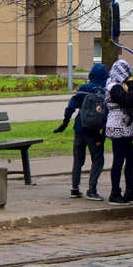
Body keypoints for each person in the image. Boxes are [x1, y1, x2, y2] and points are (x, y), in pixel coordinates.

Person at [53, 63, 107, 201]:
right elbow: (108, 114)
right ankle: (92, 190)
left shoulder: (84, 88)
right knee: (98, 159)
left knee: (78, 160)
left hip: (79, 128)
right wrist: (104, 135)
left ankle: (74, 188)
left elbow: (71, 105)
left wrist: (65, 122)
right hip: (94, 131)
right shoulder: (105, 91)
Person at [105, 60, 133, 205]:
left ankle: (129, 191)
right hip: (118, 129)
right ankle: (115, 193)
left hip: (124, 129)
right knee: (119, 161)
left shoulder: (117, 85)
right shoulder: (114, 87)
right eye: (127, 74)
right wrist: (132, 84)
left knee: (131, 158)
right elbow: (129, 101)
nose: (129, 77)